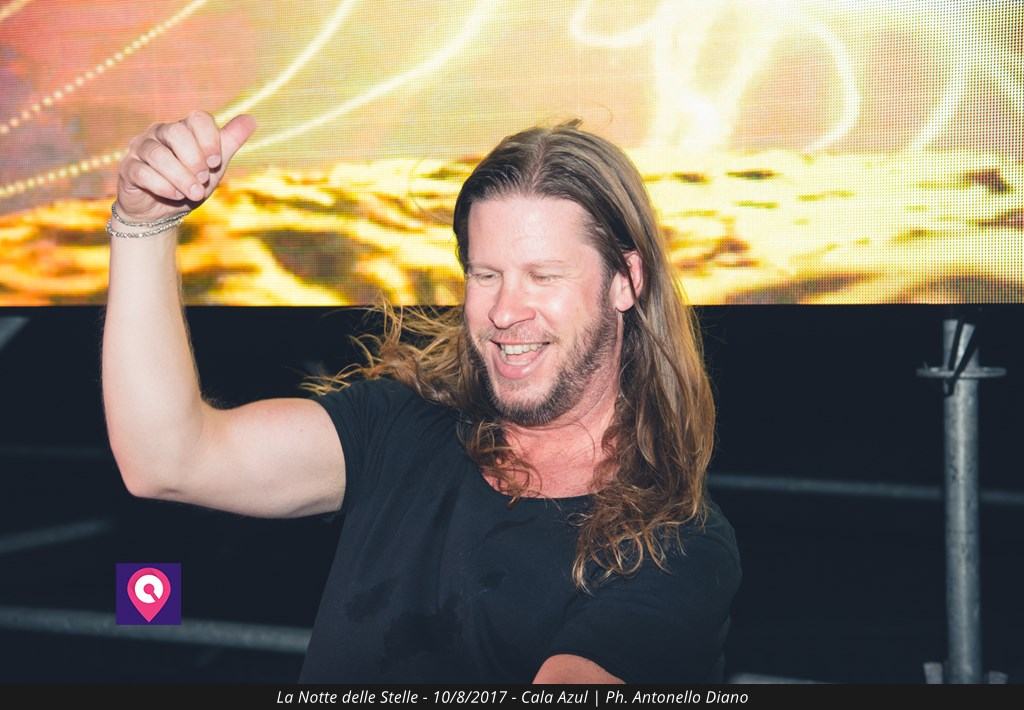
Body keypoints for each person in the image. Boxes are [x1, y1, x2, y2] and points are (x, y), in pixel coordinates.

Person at [102, 111, 741, 684]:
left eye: (543, 276)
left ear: (626, 280)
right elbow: (167, 459)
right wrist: (144, 226)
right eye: (485, 275)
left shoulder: (676, 546)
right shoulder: (400, 427)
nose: (504, 311)